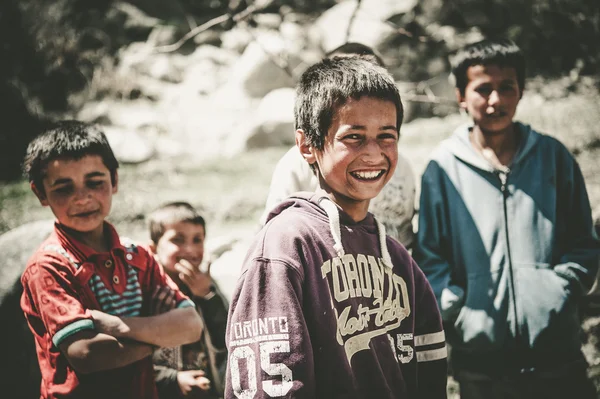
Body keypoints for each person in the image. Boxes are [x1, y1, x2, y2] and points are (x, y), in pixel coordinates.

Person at [225, 57, 447, 398]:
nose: (373, 153)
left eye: (386, 136)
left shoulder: (400, 261)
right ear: (307, 146)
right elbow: (272, 386)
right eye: (354, 138)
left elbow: (428, 374)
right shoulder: (285, 247)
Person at [413, 38, 600, 398]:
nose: (496, 100)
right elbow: (430, 257)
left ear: (521, 90)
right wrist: (461, 312)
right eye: (483, 89)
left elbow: (583, 243)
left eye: (506, 87)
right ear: (461, 96)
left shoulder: (554, 158)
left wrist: (559, 293)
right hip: (481, 369)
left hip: (560, 359)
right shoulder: (442, 171)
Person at [20, 121, 203, 399]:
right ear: (40, 193)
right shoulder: (49, 266)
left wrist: (116, 326)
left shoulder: (138, 256)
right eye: (63, 188)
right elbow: (88, 354)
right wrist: (158, 336)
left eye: (95, 182)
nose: (82, 197)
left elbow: (190, 325)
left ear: (114, 180)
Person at [260, 42, 416, 249]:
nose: (373, 154)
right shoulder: (295, 165)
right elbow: (274, 233)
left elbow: (407, 235)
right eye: (353, 137)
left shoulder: (400, 167)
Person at [146, 201, 228, 399]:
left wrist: (206, 295)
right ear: (154, 248)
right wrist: (172, 379)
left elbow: (226, 337)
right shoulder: (145, 290)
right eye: (178, 240)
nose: (190, 249)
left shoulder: (207, 284)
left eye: (197, 239)